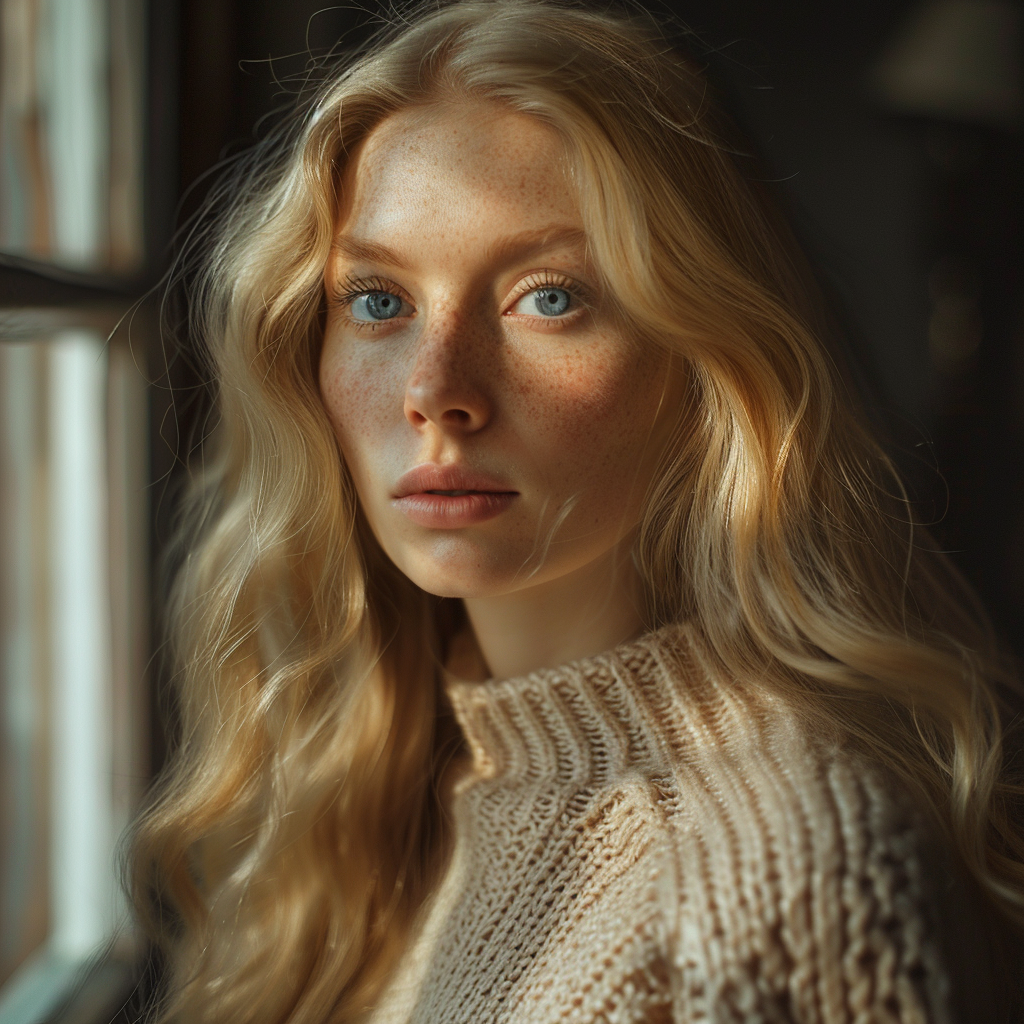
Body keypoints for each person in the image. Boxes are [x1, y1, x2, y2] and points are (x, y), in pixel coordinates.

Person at [129, 1, 1024, 1021]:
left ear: (700, 361)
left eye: (548, 296)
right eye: (379, 301)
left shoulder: (792, 871)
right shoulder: (390, 785)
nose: (435, 390)